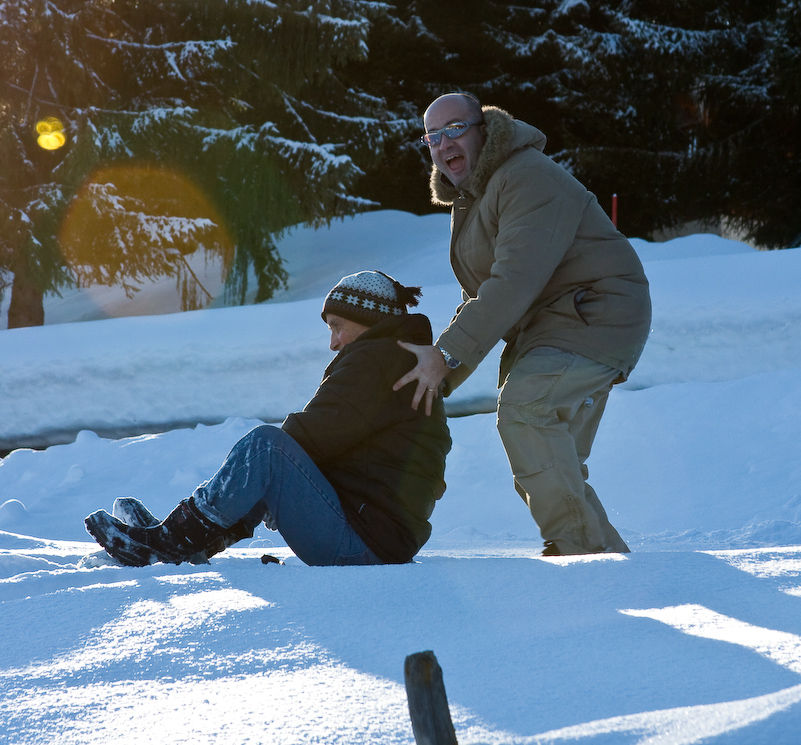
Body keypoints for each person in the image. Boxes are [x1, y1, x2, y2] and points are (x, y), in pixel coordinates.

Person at [394, 92, 651, 556]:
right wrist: (440, 373)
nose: (442, 144)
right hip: (552, 323)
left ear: (483, 129)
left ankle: (578, 552)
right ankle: (611, 568)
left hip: (592, 313)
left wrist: (446, 357)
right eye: (431, 136)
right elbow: (480, 296)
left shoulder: (526, 176)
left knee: (525, 413)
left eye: (454, 129)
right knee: (554, 464)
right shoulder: (472, 198)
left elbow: (514, 280)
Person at [85, 270, 452, 567]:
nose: (333, 342)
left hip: (363, 544)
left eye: (337, 326)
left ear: (367, 319)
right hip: (377, 539)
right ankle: (191, 540)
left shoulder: (380, 360)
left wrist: (279, 483)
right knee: (274, 458)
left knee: (266, 449)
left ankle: (171, 542)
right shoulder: (395, 358)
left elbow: (307, 438)